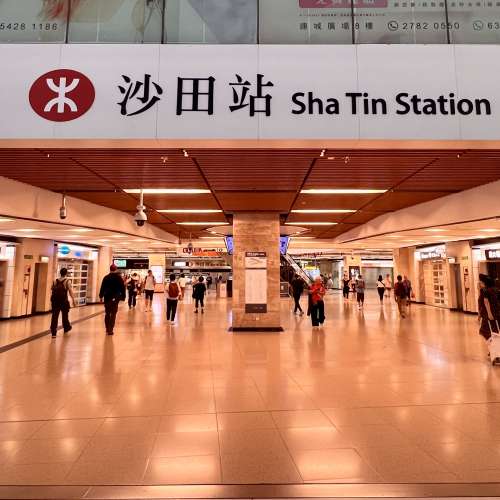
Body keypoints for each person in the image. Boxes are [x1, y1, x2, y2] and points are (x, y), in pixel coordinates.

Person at [99, 264, 126, 335]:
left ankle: (107, 328)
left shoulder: (106, 277)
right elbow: (122, 288)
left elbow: (102, 287)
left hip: (107, 297)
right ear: (116, 269)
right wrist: (123, 297)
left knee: (107, 313)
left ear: (110, 269)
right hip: (115, 298)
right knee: (113, 314)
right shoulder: (119, 278)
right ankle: (110, 329)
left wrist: (101, 296)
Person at [50, 268, 76, 338]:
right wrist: (73, 300)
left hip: (55, 301)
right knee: (65, 315)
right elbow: (70, 291)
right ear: (66, 273)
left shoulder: (55, 281)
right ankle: (66, 328)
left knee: (54, 316)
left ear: (60, 273)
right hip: (64, 301)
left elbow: (52, 289)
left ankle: (53, 332)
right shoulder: (67, 281)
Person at [478, 274, 500, 343]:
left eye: (481, 282)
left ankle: (492, 344)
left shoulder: (486, 291)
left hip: (489, 313)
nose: (479, 283)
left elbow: (486, 302)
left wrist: (489, 313)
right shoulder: (495, 289)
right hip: (495, 312)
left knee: (486, 330)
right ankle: (493, 344)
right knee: (495, 329)